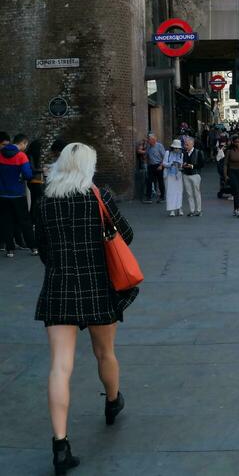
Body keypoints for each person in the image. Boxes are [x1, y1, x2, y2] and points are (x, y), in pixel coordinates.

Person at [35, 142, 138, 474]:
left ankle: (60, 445)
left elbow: (43, 250)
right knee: (105, 353)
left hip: (59, 289)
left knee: (59, 368)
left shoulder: (45, 202)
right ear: (88, 167)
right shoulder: (99, 197)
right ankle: (112, 402)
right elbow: (127, 235)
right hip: (98, 289)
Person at [0, 130, 36, 258]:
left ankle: (10, 250)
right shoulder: (21, 156)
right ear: (23, 143)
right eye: (25, 145)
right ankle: (33, 247)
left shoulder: (0, 154)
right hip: (18, 194)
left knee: (6, 221)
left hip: (3, 195)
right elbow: (27, 175)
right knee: (25, 221)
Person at [25, 138, 46, 230]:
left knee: (35, 200)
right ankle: (33, 220)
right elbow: (32, 169)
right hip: (34, 181)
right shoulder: (30, 155)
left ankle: (33, 219)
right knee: (36, 201)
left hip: (36, 181)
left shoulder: (32, 155)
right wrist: (43, 170)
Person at [223, 136, 239, 217]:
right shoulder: (229, 151)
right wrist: (225, 175)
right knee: (236, 190)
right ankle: (237, 209)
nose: (237, 143)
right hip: (231, 172)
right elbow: (225, 164)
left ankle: (235, 209)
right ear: (233, 142)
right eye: (236, 142)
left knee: (238, 191)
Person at [161, 139, 184, 216]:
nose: (177, 149)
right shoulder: (168, 153)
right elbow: (164, 163)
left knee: (179, 192)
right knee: (170, 193)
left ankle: (179, 208)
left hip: (178, 175)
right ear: (173, 147)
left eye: (178, 148)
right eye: (175, 148)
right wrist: (171, 164)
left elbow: (182, 164)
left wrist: (180, 165)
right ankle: (172, 210)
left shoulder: (181, 155)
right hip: (169, 175)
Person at [181, 136, 203, 217]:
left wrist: (192, 166)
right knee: (189, 193)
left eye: (187, 144)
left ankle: (199, 210)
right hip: (186, 175)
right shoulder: (184, 153)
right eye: (185, 144)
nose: (185, 146)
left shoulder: (198, 152)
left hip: (195, 174)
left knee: (196, 192)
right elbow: (182, 162)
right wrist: (183, 165)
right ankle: (192, 210)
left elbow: (201, 164)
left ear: (192, 144)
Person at [145, 133, 165, 203]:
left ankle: (162, 197)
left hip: (159, 165)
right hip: (151, 166)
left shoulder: (159, 146)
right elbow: (146, 155)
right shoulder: (148, 147)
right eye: (148, 139)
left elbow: (164, 157)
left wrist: (161, 165)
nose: (148, 141)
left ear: (153, 140)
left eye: (149, 139)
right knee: (149, 181)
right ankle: (148, 197)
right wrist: (147, 163)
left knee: (160, 181)